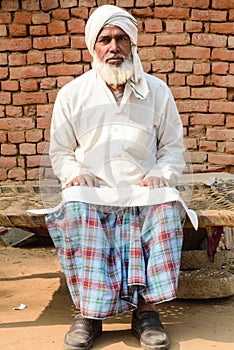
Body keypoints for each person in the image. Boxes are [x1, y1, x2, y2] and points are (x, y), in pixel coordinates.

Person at [46, 4, 196, 350]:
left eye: (121, 39)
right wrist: (75, 173)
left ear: (133, 45)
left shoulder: (157, 91)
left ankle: (146, 312)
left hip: (143, 191)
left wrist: (161, 174)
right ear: (92, 46)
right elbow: (60, 153)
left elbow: (173, 147)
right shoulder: (73, 94)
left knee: (167, 205)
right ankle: (90, 313)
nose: (113, 47)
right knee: (76, 208)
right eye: (105, 40)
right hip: (93, 193)